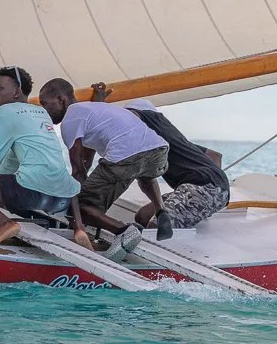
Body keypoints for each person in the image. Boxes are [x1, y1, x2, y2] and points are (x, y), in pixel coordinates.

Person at [0, 66, 90, 251]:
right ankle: (79, 229)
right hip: (63, 197)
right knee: (18, 181)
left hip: (32, 193)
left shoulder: (3, 112)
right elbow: (11, 162)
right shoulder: (41, 112)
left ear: (17, 91)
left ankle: (4, 223)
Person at [38, 78, 169, 257]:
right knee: (145, 175)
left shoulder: (70, 119)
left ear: (61, 99)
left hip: (127, 156)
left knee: (81, 204)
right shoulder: (94, 109)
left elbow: (77, 171)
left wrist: (75, 209)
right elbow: (87, 160)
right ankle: (161, 211)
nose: (43, 110)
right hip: (158, 151)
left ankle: (124, 231)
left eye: (44, 103)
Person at [93, 87, 231, 237]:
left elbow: (125, 119)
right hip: (206, 188)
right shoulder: (172, 138)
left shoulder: (142, 122)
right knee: (142, 217)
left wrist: (98, 105)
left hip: (201, 188)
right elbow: (215, 156)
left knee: (156, 228)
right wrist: (211, 197)